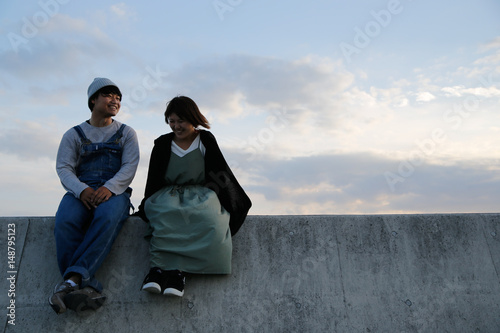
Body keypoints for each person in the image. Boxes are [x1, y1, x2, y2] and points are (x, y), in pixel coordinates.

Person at [135, 96, 251, 297]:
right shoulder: (163, 143)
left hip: (200, 193)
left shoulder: (204, 140)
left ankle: (178, 274)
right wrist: (147, 203)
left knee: (207, 217)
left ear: (193, 118)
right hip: (168, 193)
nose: (176, 126)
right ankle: (157, 270)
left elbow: (220, 171)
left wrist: (229, 200)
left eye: (181, 121)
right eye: (172, 121)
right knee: (165, 216)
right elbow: (154, 177)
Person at [49, 78, 140, 314]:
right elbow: (63, 168)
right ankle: (84, 285)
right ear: (93, 100)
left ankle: (69, 283)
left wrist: (109, 188)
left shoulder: (126, 133)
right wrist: (82, 190)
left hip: (114, 191)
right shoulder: (74, 134)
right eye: (109, 95)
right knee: (65, 221)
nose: (115, 100)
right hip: (81, 189)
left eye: (118, 98)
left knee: (108, 218)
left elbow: (130, 166)